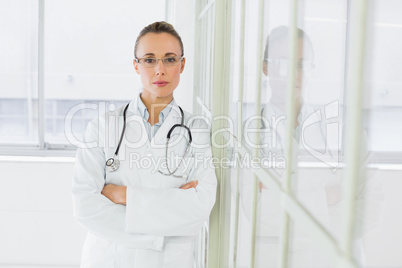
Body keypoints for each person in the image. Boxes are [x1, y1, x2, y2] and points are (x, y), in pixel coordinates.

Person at [72, 21, 217, 268]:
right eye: (149, 60)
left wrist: (122, 194)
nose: (160, 70)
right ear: (135, 65)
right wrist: (166, 215)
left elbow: (200, 208)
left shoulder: (197, 130)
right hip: (108, 259)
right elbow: (85, 207)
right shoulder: (103, 127)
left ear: (182, 65)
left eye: (170, 59)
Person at [238, 26, 384, 268]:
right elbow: (257, 213)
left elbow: (372, 206)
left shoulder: (344, 130)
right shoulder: (247, 135)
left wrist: (282, 199)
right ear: (265, 68)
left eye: (302, 64)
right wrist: (328, 196)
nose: (293, 74)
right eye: (282, 62)